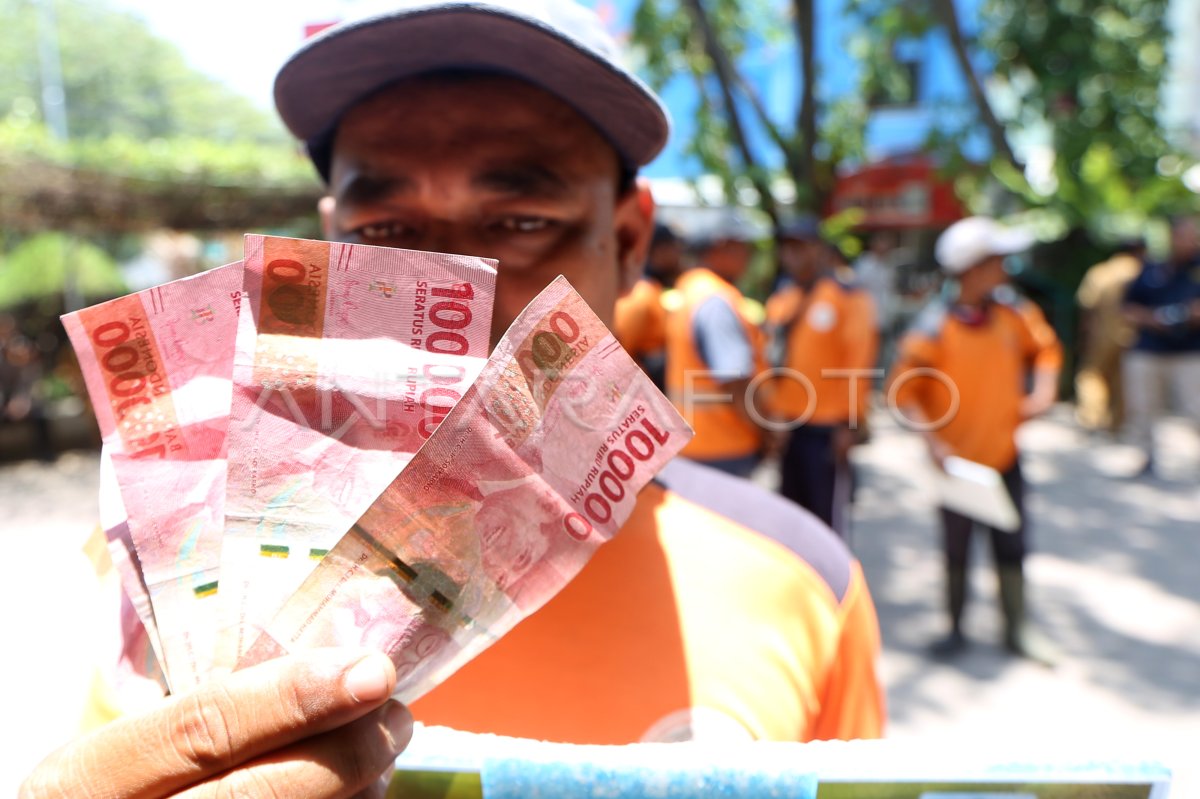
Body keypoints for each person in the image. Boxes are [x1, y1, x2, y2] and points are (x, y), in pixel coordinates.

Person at [23, 1, 885, 794]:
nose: (449, 295)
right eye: (386, 231)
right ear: (331, 241)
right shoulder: (160, 563)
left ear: (627, 241)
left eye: (518, 222)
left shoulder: (802, 581)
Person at [890, 216, 1062, 666]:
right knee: (956, 547)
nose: (1006, 268)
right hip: (958, 466)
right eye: (997, 261)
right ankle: (955, 628)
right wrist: (932, 441)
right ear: (972, 269)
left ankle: (1017, 627)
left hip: (1006, 457)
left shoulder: (1013, 313)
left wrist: (1042, 392)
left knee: (1012, 543)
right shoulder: (933, 326)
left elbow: (1045, 349)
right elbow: (904, 393)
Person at [764, 217, 878, 540]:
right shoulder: (782, 299)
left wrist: (851, 422)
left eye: (800, 247)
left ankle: (832, 590)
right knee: (790, 520)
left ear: (820, 250)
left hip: (828, 430)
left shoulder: (847, 297)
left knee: (826, 522)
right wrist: (772, 417)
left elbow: (858, 363)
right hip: (789, 426)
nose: (792, 256)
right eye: (786, 248)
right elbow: (772, 363)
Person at [663, 210, 767, 477]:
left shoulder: (688, 289)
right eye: (744, 245)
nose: (749, 254)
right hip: (724, 446)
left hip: (695, 444)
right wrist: (770, 431)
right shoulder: (716, 300)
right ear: (722, 245)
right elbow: (734, 380)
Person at [1120, 216, 1200, 478]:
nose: (1190, 241)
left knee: (1196, 409)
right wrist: (1152, 319)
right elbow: (1127, 308)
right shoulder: (1152, 269)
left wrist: (1190, 315)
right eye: (1184, 235)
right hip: (1148, 350)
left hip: (1189, 351)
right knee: (1142, 408)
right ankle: (1146, 458)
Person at [1074, 238, 1144, 433]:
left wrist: (1084, 335)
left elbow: (1088, 307)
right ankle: (1117, 423)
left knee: (1091, 374)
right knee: (1123, 379)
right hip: (1132, 335)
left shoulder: (1100, 272)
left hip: (1101, 334)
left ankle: (1091, 417)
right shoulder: (1141, 271)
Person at [613, 223, 681, 388]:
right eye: (673, 248)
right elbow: (616, 354)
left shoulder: (652, 289)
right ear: (659, 251)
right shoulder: (640, 294)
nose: (678, 255)